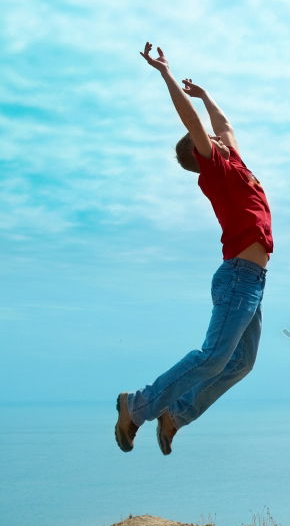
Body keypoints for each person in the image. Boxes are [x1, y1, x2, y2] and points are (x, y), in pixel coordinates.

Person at [114, 42, 274, 455]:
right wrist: (167, 75)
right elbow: (196, 124)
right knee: (214, 357)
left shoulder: (237, 164)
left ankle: (176, 413)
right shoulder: (217, 171)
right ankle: (138, 405)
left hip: (253, 280)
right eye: (209, 139)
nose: (219, 139)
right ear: (202, 153)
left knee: (241, 363)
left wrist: (206, 96)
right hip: (239, 276)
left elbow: (225, 126)